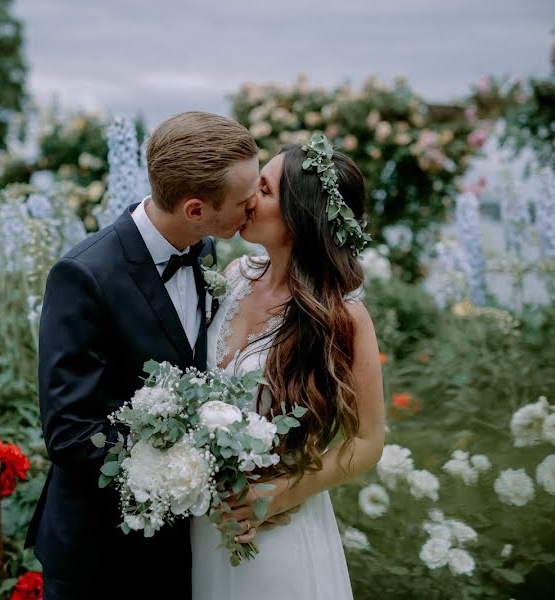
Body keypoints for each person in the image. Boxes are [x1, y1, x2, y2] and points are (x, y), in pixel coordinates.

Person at [24, 111, 261, 599]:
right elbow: (71, 434)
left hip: (180, 549)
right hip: (100, 557)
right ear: (196, 209)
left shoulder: (206, 250)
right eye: (244, 199)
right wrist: (187, 452)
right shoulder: (84, 276)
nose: (255, 205)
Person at [190, 135, 386, 599]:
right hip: (206, 522)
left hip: (275, 534)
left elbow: (369, 440)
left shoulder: (342, 317)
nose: (246, 199)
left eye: (263, 189)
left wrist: (285, 492)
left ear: (300, 216)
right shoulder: (235, 278)